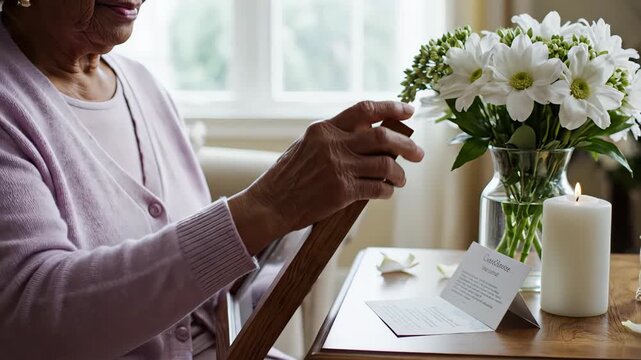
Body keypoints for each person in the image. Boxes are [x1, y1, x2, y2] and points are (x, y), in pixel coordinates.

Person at [0, 0, 424, 359]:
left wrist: (288, 235)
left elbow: (190, 289)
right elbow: (32, 317)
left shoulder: (142, 85)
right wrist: (268, 206)